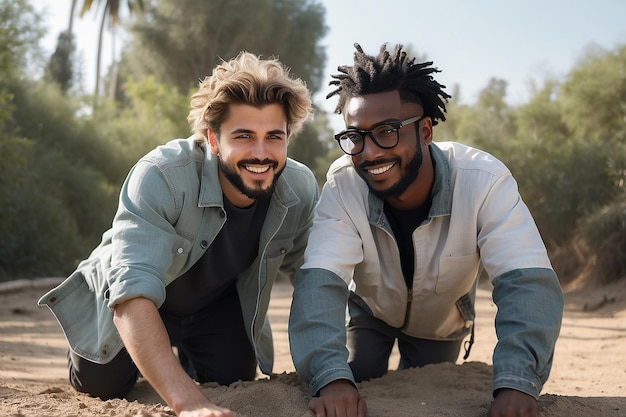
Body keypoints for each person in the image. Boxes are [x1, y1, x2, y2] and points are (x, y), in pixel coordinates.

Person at [288, 43, 563, 417]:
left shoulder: (484, 181)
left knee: (426, 389)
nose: (368, 153)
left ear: (426, 130)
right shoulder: (343, 184)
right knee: (350, 375)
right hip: (371, 312)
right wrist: (331, 379)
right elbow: (320, 284)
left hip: (440, 325)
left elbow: (527, 282)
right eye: (356, 136)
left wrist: (519, 381)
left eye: (387, 131)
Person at [38, 51, 318, 417]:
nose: (262, 153)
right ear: (213, 141)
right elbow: (132, 290)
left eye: (274, 137)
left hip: (214, 306)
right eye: (244, 136)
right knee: (100, 383)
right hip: (132, 299)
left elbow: (316, 278)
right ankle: (149, 358)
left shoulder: (300, 189)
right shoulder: (161, 175)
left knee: (233, 375)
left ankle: (178, 358)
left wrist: (331, 374)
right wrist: (189, 402)